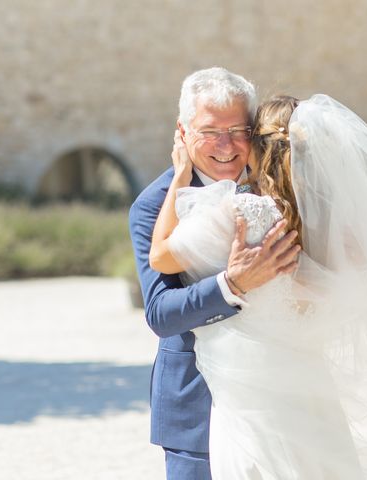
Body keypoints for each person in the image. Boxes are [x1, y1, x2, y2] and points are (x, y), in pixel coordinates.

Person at [149, 94, 367, 479]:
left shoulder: (244, 213)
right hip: (309, 383)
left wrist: (178, 177)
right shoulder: (336, 228)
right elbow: (352, 290)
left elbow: (160, 256)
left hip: (250, 390)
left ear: (258, 146)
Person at [128, 68, 301, 480]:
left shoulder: (280, 187)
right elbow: (160, 314)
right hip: (197, 408)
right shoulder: (153, 206)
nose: (226, 146)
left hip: (283, 393)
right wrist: (233, 284)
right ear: (182, 133)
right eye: (210, 131)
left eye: (238, 129)